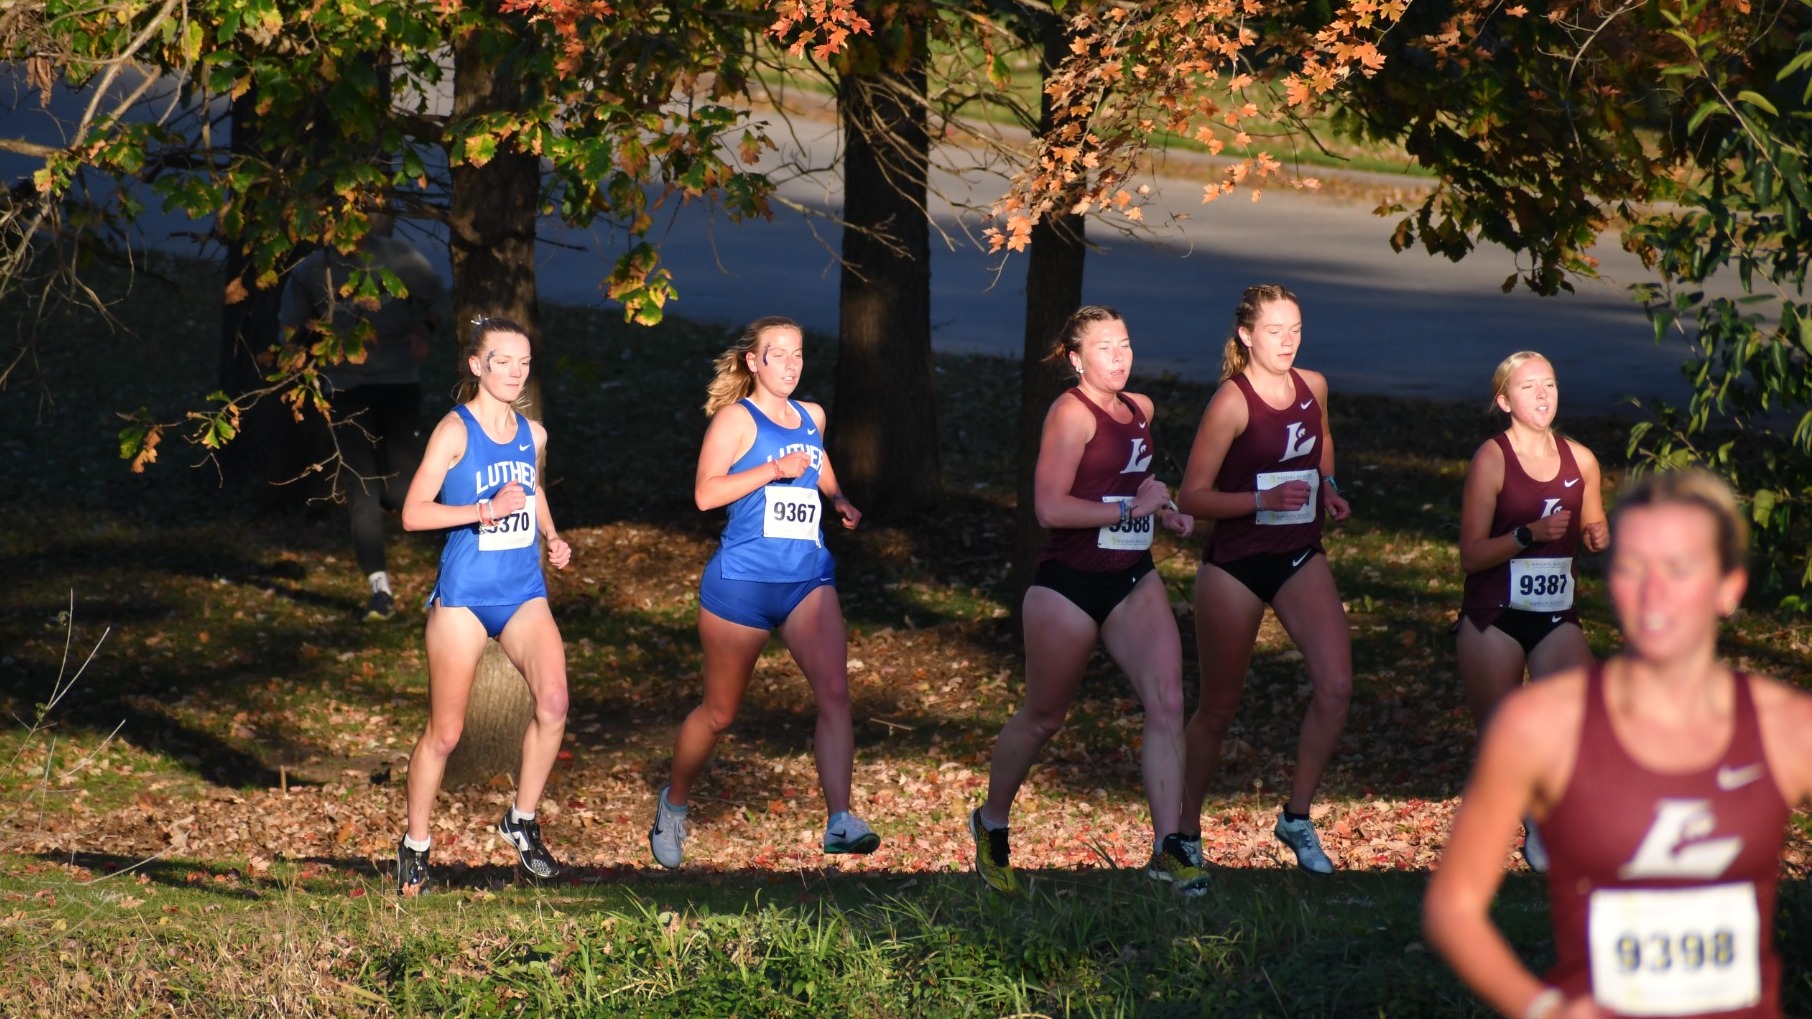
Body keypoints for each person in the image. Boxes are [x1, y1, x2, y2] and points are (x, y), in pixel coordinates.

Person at [1425, 469, 1812, 1019]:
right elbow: (1453, 907)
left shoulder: (1785, 728)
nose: (1654, 592)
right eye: (1633, 567)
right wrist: (1541, 1007)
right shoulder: (1539, 725)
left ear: (1730, 586)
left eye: (1680, 567)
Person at [970, 306, 1209, 895]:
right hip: (1067, 585)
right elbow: (1050, 508)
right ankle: (991, 822)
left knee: (1169, 701)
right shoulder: (1069, 415)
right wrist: (1133, 509)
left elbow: (1133, 487)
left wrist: (1167, 511)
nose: (1120, 356)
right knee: (1045, 716)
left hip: (1132, 577)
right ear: (1076, 360)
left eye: (1125, 344)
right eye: (1105, 348)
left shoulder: (1141, 410)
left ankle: (1167, 848)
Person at [647, 316, 876, 869]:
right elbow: (705, 495)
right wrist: (774, 469)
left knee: (836, 695)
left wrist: (838, 497)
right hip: (742, 584)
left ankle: (840, 820)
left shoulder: (811, 416)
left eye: (799, 354)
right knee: (720, 713)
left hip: (807, 579)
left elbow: (816, 463)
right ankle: (673, 804)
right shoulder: (734, 420)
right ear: (754, 361)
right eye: (779, 354)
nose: (792, 365)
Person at [1175, 283, 1353, 874]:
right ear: (1246, 335)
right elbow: (1193, 497)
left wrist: (1326, 485)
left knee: (1335, 685)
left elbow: (1320, 438)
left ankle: (1296, 817)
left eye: (1295, 329)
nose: (1287, 341)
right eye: (1275, 331)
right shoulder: (1233, 402)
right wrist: (1262, 495)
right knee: (1219, 708)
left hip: (1299, 553)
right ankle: (1183, 836)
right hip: (1237, 565)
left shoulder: (1314, 386)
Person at [393, 317, 572, 894]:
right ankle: (416, 844)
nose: (516, 373)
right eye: (503, 362)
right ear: (476, 365)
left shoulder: (534, 433)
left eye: (523, 363)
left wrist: (551, 535)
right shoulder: (454, 431)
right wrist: (481, 511)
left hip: (522, 592)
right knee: (445, 734)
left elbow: (533, 487)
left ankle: (521, 822)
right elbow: (414, 513)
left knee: (554, 702)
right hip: (464, 598)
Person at [1456, 351, 1609, 872]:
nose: (1543, 395)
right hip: (1493, 611)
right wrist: (1526, 535)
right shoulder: (1492, 459)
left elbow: (1592, 526)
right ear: (1504, 401)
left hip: (1554, 613)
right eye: (1528, 388)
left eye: (1550, 384)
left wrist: (1597, 534)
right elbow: (1470, 555)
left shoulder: (1582, 460)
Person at [279, 212, 453, 621]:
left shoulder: (399, 258)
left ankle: (452, 562)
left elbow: (438, 301)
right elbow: (288, 332)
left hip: (398, 382)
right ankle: (380, 589)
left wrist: (424, 330)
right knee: (362, 489)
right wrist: (306, 353)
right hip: (344, 388)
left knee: (401, 489)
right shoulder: (310, 271)